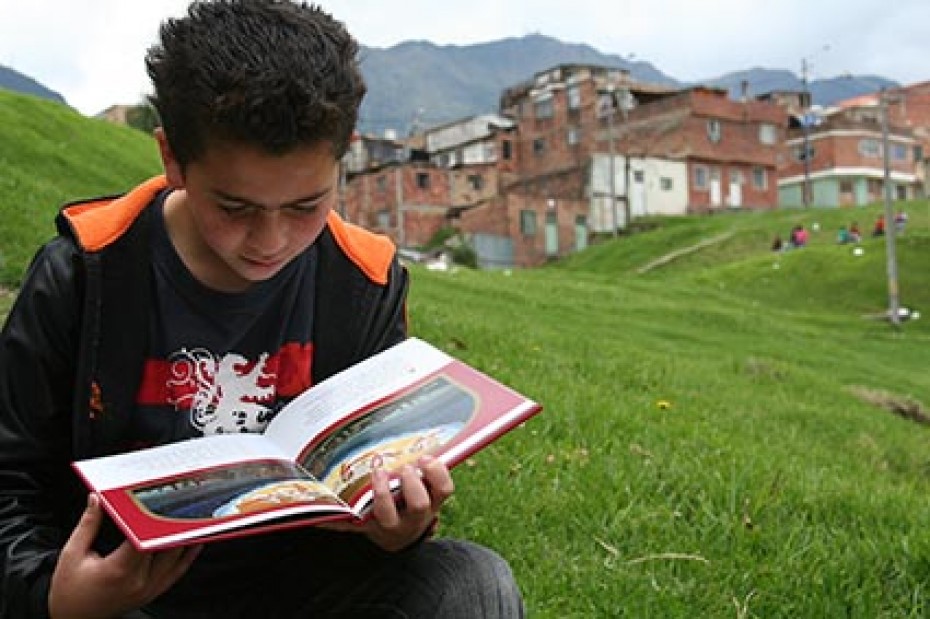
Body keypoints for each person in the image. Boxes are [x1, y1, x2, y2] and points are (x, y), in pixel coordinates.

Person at [0, 2, 523, 618]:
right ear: (173, 158)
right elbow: (12, 484)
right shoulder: (84, 274)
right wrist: (55, 598)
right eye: (235, 207)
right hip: (125, 588)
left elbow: (379, 467)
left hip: (298, 583)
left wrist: (397, 528)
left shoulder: (362, 281)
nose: (270, 242)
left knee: (472, 583)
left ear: (344, 156)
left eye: (306, 205)